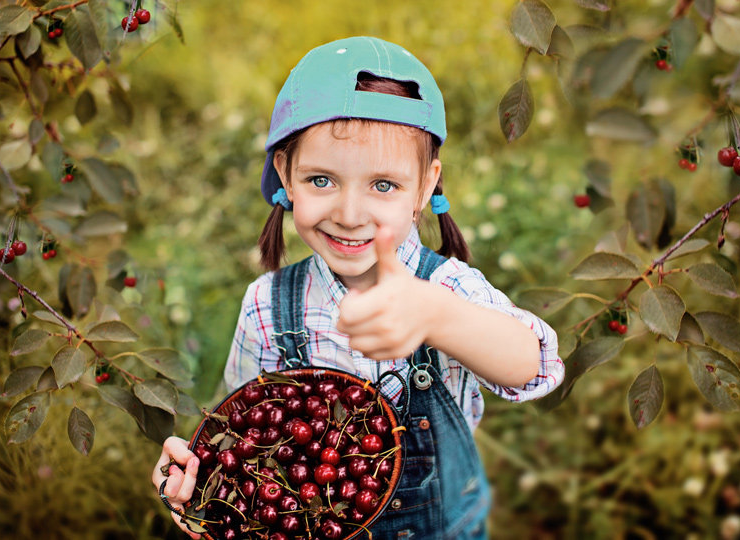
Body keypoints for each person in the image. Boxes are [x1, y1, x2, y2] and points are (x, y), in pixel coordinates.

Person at [152, 36, 564, 539]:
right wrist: (199, 474)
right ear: (285, 172)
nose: (349, 216)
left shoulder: (447, 289)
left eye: (383, 185)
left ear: (426, 185)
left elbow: (534, 367)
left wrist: (437, 316)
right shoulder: (267, 304)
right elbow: (243, 429)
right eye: (321, 180)